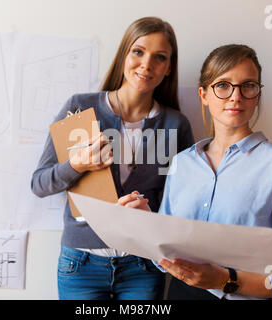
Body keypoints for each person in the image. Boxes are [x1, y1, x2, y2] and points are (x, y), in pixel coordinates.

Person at [119, 44, 272, 300]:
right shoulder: (182, 163)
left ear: (257, 95)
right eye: (223, 85)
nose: (236, 97)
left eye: (248, 86)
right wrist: (146, 223)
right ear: (203, 95)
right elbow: (169, 253)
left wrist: (225, 280)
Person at [31, 16, 194, 300]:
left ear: (169, 68)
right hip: (80, 265)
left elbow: (182, 209)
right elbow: (39, 184)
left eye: (160, 57)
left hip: (143, 266)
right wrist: (77, 165)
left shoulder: (175, 125)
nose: (146, 64)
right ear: (123, 55)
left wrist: (150, 215)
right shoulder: (80, 108)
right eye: (138, 51)